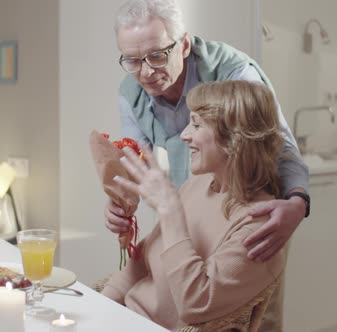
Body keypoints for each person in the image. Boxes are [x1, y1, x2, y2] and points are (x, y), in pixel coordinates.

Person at [106, 0, 309, 265]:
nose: (145, 72)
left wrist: (298, 202)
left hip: (247, 215)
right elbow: (135, 166)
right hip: (187, 212)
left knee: (248, 303)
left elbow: (280, 145)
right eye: (132, 60)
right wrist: (121, 204)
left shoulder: (235, 74)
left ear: (185, 45)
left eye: (157, 56)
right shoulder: (130, 93)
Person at [103, 80, 287, 331]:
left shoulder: (259, 223)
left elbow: (195, 305)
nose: (184, 134)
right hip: (126, 317)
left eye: (197, 124)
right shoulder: (200, 182)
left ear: (235, 138)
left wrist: (170, 211)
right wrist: (103, 305)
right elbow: (142, 260)